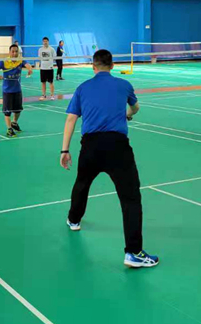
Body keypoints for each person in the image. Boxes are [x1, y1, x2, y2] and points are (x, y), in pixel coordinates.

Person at [61, 49, 158, 268]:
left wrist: (64, 150)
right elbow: (135, 108)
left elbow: (71, 119)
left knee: (82, 184)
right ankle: (133, 252)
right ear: (112, 66)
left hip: (90, 147)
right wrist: (128, 114)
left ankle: (74, 220)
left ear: (93, 67)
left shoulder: (83, 87)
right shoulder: (124, 85)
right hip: (117, 147)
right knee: (130, 198)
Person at [0, 44, 33, 137]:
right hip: (7, 91)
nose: (14, 53)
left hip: (17, 90)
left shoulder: (20, 60)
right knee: (7, 112)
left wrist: (30, 69)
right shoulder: (4, 62)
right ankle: (9, 129)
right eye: (13, 51)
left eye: (16, 51)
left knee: (18, 110)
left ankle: (14, 122)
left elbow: (27, 65)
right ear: (9, 52)